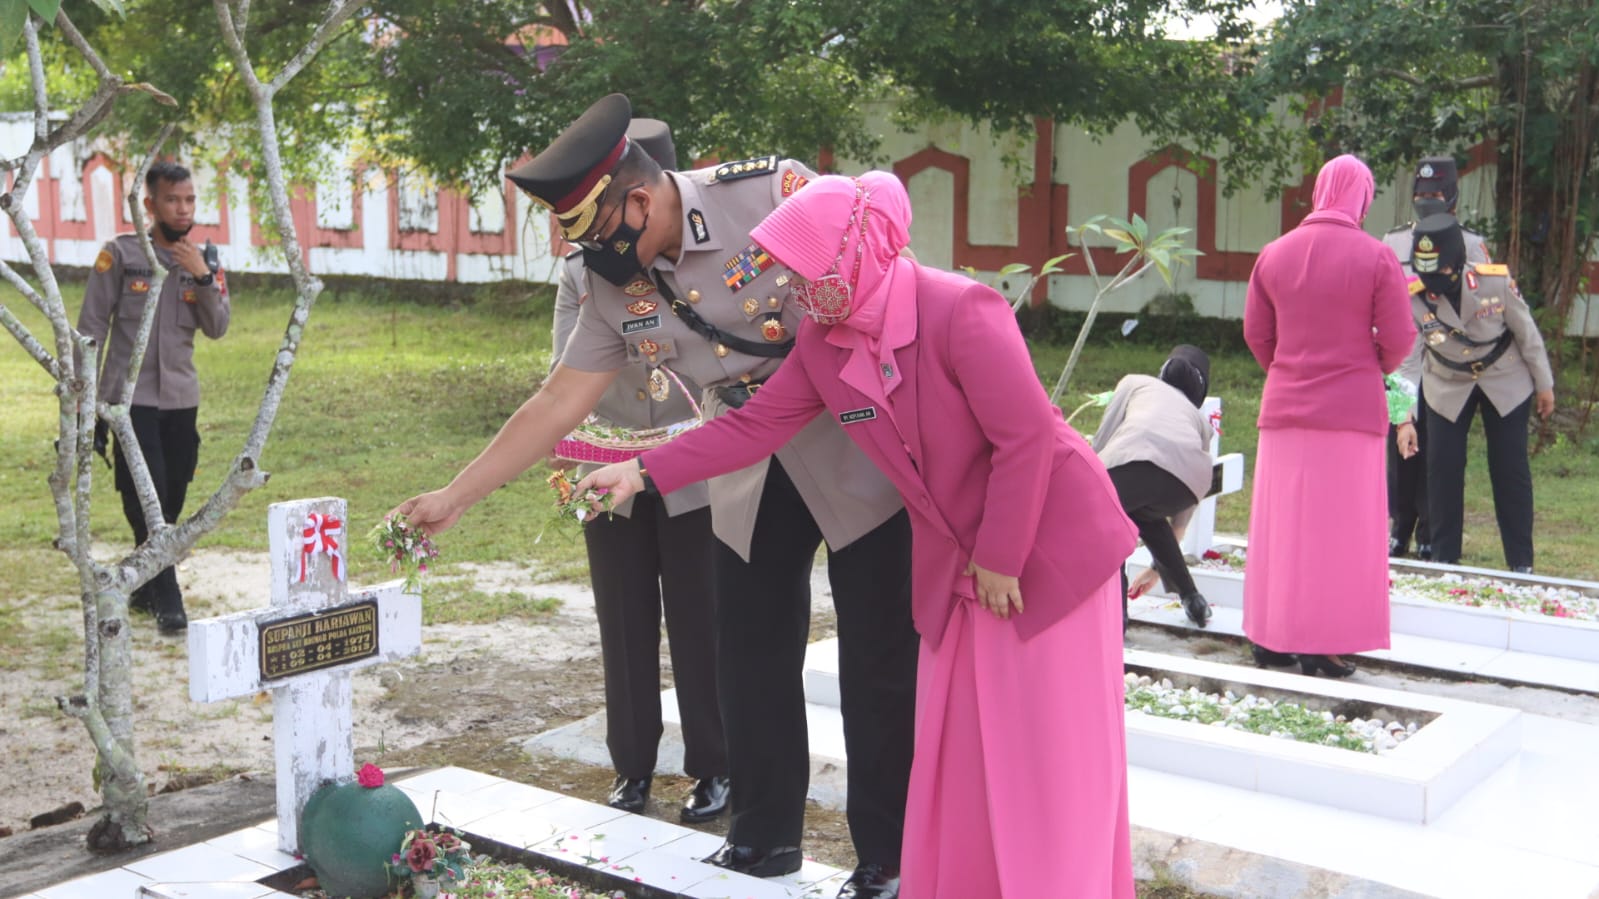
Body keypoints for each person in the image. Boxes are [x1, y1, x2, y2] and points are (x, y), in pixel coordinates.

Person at [395, 95, 915, 899]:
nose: (590, 255)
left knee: (876, 658)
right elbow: (557, 401)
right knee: (748, 651)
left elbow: (881, 296)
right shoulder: (610, 282)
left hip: (854, 448)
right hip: (740, 460)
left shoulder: (773, 192)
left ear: (639, 201)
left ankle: (888, 853)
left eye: (597, 233)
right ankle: (763, 838)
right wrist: (458, 494)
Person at [578, 171, 1139, 899]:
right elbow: (756, 424)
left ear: (857, 251)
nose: (796, 289)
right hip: (963, 556)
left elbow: (1026, 440)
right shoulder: (824, 337)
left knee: (1044, 741)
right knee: (964, 737)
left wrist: (1001, 557)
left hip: (1044, 544)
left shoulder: (959, 309)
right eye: (791, 274)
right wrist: (642, 472)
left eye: (807, 271)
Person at [550, 118, 728, 822]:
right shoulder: (579, 273)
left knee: (700, 619)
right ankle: (632, 767)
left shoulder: (709, 265)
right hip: (607, 462)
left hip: (695, 463)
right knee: (623, 624)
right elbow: (568, 374)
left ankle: (716, 765)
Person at [1242, 154, 1416, 678]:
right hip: (1349, 414)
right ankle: (1322, 644)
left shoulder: (1273, 254)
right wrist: (1368, 365)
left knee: (1282, 527)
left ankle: (1271, 639)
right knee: (1337, 533)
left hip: (1285, 411)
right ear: (1360, 197)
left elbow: (1257, 334)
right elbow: (1401, 338)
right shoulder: (1376, 256)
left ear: (1319, 191)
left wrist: (1290, 368)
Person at [76, 160, 229, 636]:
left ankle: (143, 581)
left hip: (182, 397)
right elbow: (92, 327)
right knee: (147, 495)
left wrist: (202, 276)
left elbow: (218, 327)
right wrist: (92, 404)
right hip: (130, 400)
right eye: (171, 200)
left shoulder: (203, 258)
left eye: (189, 200)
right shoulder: (122, 255)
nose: (182, 210)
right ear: (149, 204)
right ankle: (167, 593)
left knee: (175, 488)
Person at [1394, 214, 1554, 572]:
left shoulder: (1492, 283)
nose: (1434, 287)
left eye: (1441, 277)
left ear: (1458, 262)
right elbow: (1405, 363)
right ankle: (1444, 559)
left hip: (1505, 378)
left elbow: (1526, 333)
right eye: (1427, 277)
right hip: (1446, 383)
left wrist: (1545, 385)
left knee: (1510, 468)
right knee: (1442, 469)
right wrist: (1403, 418)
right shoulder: (1412, 297)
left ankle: (1521, 563)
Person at [1379, 157, 1491, 560]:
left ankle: (1429, 529)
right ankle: (1399, 526)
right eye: (1422, 196)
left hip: (1448, 365)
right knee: (1400, 447)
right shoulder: (1393, 243)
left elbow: (1483, 305)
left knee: (1436, 450)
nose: (1428, 202)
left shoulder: (1472, 243)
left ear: (1453, 198)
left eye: (1437, 195)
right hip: (1403, 362)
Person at [1092, 345, 1215, 630]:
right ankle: (1192, 599)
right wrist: (1155, 570)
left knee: (1111, 519)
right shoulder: (1199, 421)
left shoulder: (1135, 382)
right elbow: (1181, 521)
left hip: (1135, 460)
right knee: (1144, 514)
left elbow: (1102, 438)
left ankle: (1116, 616)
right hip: (1184, 487)